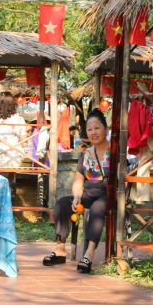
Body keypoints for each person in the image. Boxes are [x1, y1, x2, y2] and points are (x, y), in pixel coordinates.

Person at [45, 109, 110, 273]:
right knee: (62, 203)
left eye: (97, 127)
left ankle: (89, 252)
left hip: (107, 195)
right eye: (89, 129)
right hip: (88, 194)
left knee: (98, 207)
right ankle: (60, 249)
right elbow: (78, 181)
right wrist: (76, 197)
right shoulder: (86, 154)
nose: (93, 132)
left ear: (106, 129)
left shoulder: (115, 152)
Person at [0, 92, 27, 168]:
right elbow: (24, 144)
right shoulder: (20, 120)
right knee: (11, 173)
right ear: (13, 103)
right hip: (14, 157)